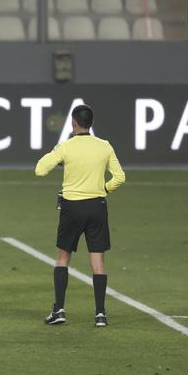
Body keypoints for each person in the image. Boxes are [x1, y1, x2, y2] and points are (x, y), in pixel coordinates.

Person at [36, 104, 125, 327]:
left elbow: (40, 169)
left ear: (74, 123)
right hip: (97, 206)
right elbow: (120, 177)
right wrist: (104, 189)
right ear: (91, 123)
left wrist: (58, 154)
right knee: (98, 260)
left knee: (63, 258)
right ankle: (100, 314)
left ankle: (59, 310)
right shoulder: (104, 146)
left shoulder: (66, 146)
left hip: (72, 207)